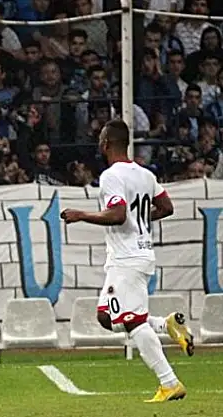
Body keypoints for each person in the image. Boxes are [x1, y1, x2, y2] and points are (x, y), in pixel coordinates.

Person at [61, 119, 194, 403]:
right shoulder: (145, 174)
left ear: (106, 143)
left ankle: (169, 382)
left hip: (127, 258)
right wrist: (139, 220)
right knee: (106, 317)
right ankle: (165, 325)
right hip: (138, 254)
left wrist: (81, 215)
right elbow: (166, 207)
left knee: (133, 322)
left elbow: (118, 214)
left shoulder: (111, 176)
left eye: (100, 138)